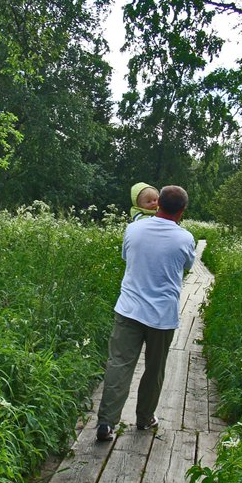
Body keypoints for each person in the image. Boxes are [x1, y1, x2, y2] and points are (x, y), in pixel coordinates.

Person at [96, 185, 196, 442]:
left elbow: (126, 258)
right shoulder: (185, 238)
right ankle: (144, 419)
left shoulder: (133, 229)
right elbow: (187, 266)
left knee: (119, 364)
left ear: (158, 203)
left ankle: (106, 423)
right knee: (154, 369)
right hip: (162, 316)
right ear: (182, 211)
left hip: (128, 310)